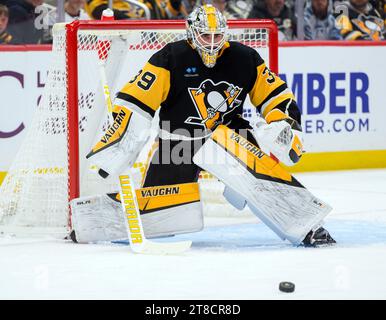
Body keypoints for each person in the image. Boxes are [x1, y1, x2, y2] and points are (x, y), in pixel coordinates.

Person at [74, 4, 336, 247]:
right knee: (160, 214)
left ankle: (308, 225)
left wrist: (284, 124)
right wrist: (119, 144)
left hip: (229, 138)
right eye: (205, 37)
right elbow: (136, 102)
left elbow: (276, 96)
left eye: (216, 36)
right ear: (191, 34)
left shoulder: (245, 58)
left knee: (262, 183)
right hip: (179, 141)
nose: (211, 43)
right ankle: (91, 223)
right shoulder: (169, 58)